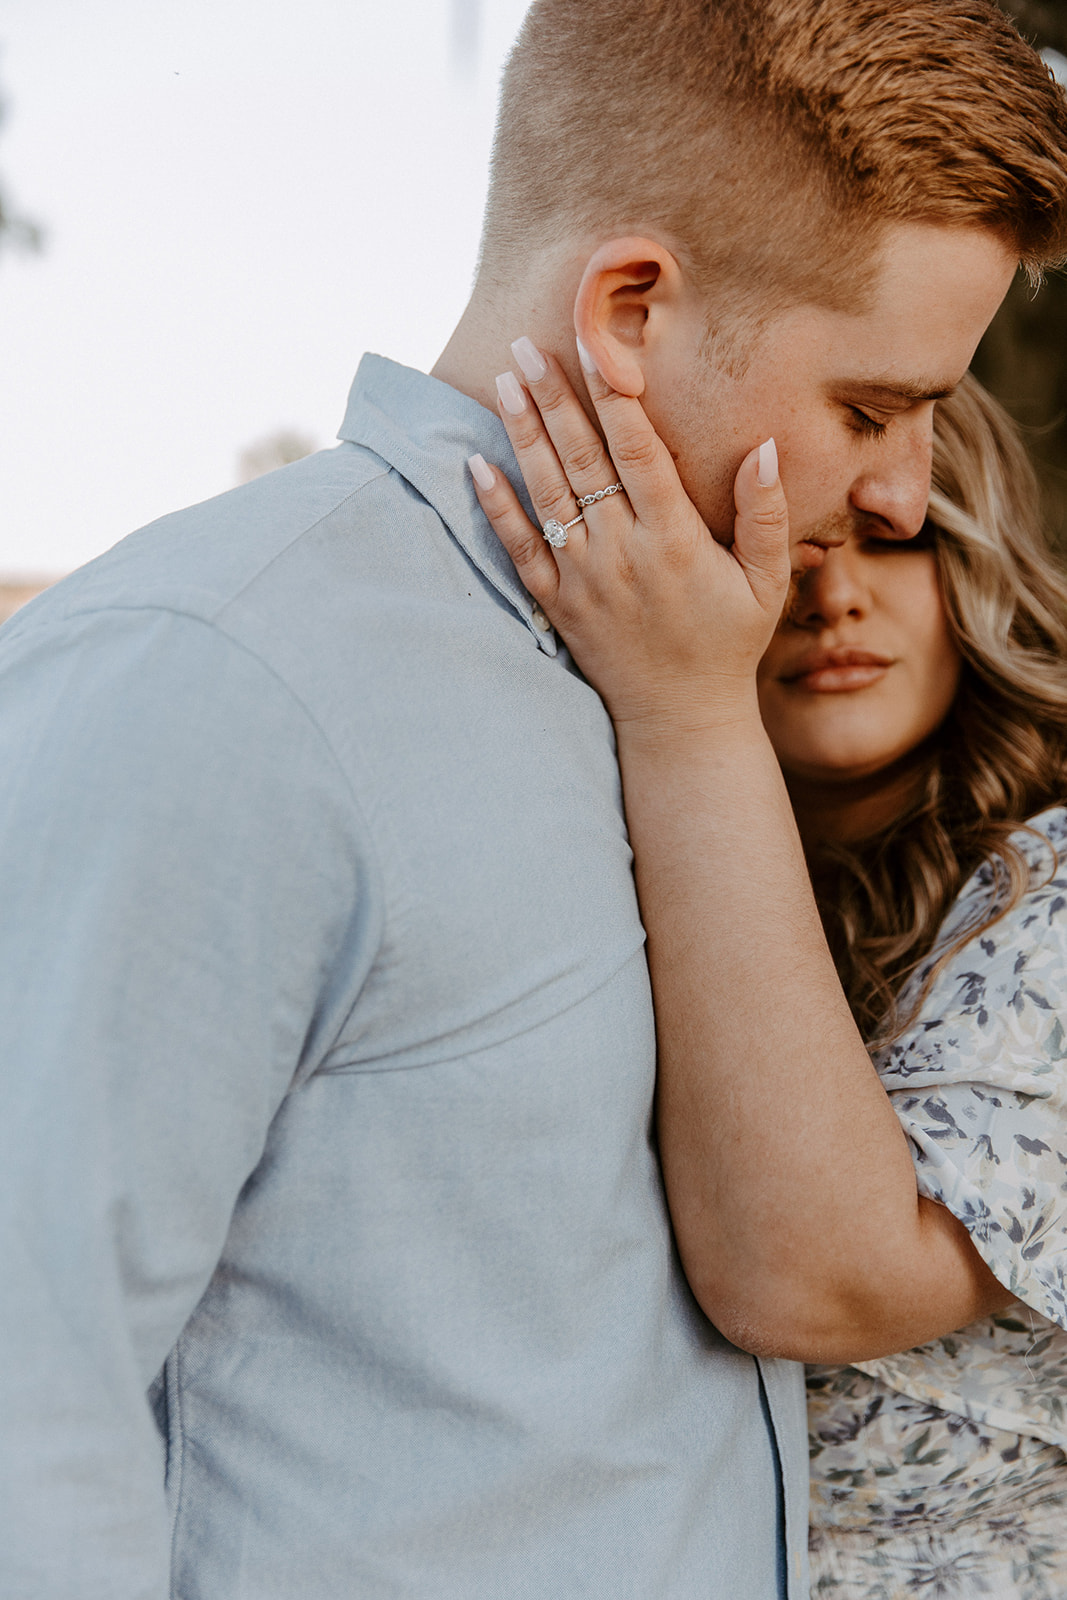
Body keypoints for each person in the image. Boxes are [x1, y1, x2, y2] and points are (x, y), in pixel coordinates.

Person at [2, 3, 1066, 1597]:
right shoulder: (227, 672)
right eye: (870, 408)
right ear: (631, 310)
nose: (908, 492)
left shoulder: (680, 699)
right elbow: (29, 1379)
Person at [476, 359, 1067, 1593]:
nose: (830, 595)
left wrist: (687, 712)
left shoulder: (1044, 883)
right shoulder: (594, 860)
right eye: (776, 540)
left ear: (976, 562)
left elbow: (820, 1280)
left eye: (890, 545)